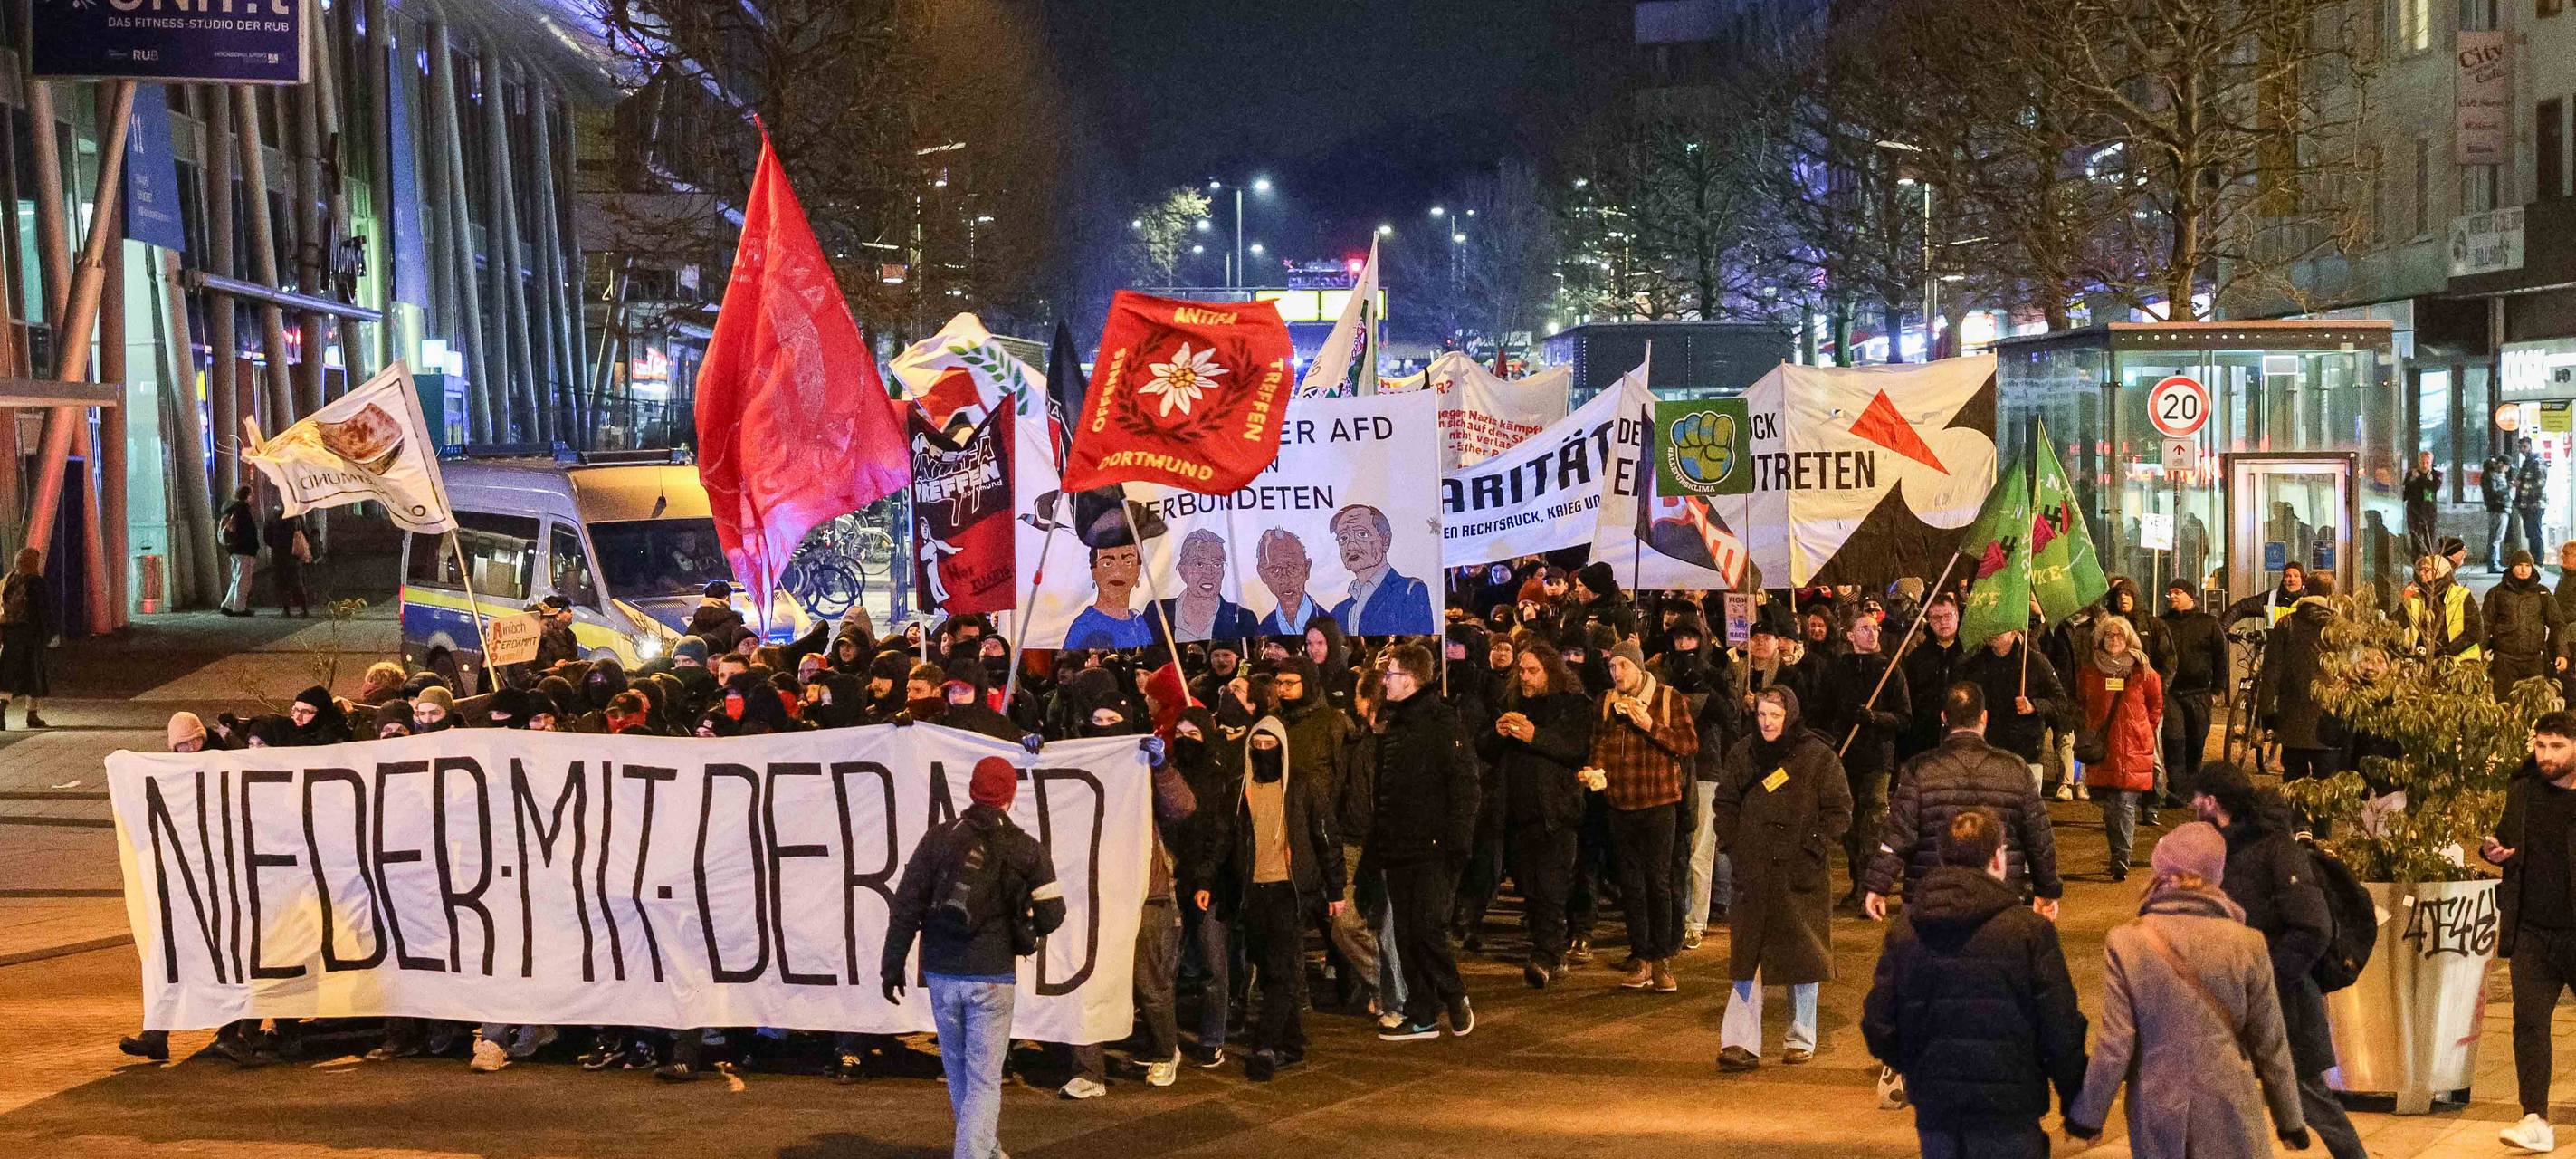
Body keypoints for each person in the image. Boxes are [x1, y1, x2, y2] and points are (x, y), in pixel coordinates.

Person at [2065, 821, 2310, 1157]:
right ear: (2216, 877)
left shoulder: (2127, 942)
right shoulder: (2247, 944)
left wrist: (2088, 1118)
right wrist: (2290, 1121)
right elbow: (2270, 1041)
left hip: (2158, 1108)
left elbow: (2115, 1043)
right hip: (2230, 1106)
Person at [1861, 808, 2088, 1159]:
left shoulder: (1907, 931)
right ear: (1998, 858)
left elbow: (1879, 1023)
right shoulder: (2027, 931)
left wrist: (1919, 1066)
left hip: (1938, 1109)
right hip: (2010, 1109)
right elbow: (2060, 1026)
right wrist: (2077, 1105)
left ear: (1942, 856)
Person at [881, 756, 1066, 1159]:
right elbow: (1054, 914)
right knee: (984, 1079)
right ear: (1011, 797)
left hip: (942, 972)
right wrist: (1026, 930)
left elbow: (906, 906)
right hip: (993, 974)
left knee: (960, 1072)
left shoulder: (939, 838)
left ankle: (986, 1148)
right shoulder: (1026, 849)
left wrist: (891, 965)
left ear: (971, 791)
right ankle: (975, 1153)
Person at [2192, 762, 2367, 1159]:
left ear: (2213, 801)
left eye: (2197, 797)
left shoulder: (2275, 849)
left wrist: (2267, 980)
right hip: (2227, 1000)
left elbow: (2314, 927)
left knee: (2310, 1100)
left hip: (2284, 1002)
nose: (2191, 804)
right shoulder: (2214, 848)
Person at [1713, 686, 1851, 1071]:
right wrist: (1734, 844)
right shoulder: (1744, 753)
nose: (1768, 722)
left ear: (1789, 714)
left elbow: (1840, 809)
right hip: (1753, 870)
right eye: (1761, 714)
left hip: (1798, 872)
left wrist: (1812, 846)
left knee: (1804, 955)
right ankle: (1740, 1041)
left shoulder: (1818, 756)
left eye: (1774, 715)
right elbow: (1725, 802)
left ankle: (1801, 1037)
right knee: (1747, 957)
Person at [1861, 681, 2062, 920]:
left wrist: (1878, 885)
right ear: (1984, 717)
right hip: (1999, 897)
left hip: (1931, 898)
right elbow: (2038, 837)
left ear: (1944, 717)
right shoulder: (2015, 769)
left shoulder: (1919, 769)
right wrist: (2047, 889)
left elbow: (1898, 834)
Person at [1223, 710, 1345, 1079]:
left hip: (1288, 891)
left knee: (1279, 970)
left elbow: (1326, 839)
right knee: (1271, 964)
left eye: (1269, 745)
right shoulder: (1239, 789)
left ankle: (1265, 1043)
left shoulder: (1302, 787)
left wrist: (1335, 888)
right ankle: (1291, 1042)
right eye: (1256, 745)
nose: (1263, 751)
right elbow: (1226, 839)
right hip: (1252, 891)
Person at [1367, 642, 1480, 1040]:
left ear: (1411, 679)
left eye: (1391, 675)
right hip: (1399, 845)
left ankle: (1454, 994)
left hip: (1435, 847)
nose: (1385, 682)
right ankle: (1422, 1012)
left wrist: (1457, 845)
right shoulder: (1396, 722)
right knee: (1405, 934)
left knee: (1427, 927)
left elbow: (1465, 786)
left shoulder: (1441, 722)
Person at [1578, 639, 1698, 991]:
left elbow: (1689, 744)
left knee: (1657, 881)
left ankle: (1662, 958)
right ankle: (1640, 956)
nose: (1617, 673)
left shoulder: (1667, 698)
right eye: (1612, 667)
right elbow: (1599, 743)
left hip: (1659, 802)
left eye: (1623, 667)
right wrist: (1594, 770)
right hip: (1620, 803)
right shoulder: (1605, 703)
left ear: (1639, 667)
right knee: (1631, 884)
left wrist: (1649, 725)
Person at [2485, 710, 2576, 1154]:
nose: (2546, 755)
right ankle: (2534, 1118)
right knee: (2530, 1025)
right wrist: (2495, 852)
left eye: (2557, 746)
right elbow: (2506, 842)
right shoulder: (2522, 791)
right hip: (2533, 930)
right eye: (2541, 745)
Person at [1479, 636, 1594, 988]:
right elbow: (1486, 750)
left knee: (1550, 886)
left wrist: (1534, 736)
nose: (1525, 677)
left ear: (1550, 672)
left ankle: (1544, 956)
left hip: (1555, 813)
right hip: (1516, 813)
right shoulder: (1511, 702)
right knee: (1529, 887)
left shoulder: (1572, 705)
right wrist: (1497, 734)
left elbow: (1575, 748)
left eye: (1533, 671)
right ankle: (1552, 949)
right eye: (1522, 670)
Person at [1813, 610, 1908, 905]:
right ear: (1850, 635)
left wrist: (1875, 718)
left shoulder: (1889, 669)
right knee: (1850, 823)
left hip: (1877, 758)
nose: (1872, 633)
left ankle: (1874, 884)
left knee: (1875, 821)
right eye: (1864, 628)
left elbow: (1904, 718)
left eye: (1875, 628)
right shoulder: (1838, 669)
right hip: (1845, 756)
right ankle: (1858, 881)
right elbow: (1821, 711)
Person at [2076, 615, 2163, 881]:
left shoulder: (2143, 672)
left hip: (2131, 745)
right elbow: (2082, 703)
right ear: (2101, 639)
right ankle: (2117, 851)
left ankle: (2121, 857)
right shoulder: (2090, 671)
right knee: (2110, 807)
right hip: (2103, 747)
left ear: (2129, 640)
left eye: (2119, 636)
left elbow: (2155, 706)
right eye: (2109, 635)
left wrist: (2142, 730)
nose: (2114, 640)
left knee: (2125, 803)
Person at [2260, 575, 2346, 803]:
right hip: (2331, 718)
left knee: (2294, 781)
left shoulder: (2287, 624)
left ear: (2306, 592)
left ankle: (2297, 828)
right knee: (2326, 786)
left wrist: (2267, 711)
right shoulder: (2342, 628)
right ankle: (2321, 831)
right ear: (2331, 595)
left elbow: (2271, 671)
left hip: (2292, 715)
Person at [1960, 627, 2067, 797]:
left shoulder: (2035, 662)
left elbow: (2060, 703)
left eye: (2001, 626)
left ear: (2014, 631)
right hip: (1988, 752)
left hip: (2026, 753)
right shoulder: (1975, 665)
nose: (1993, 630)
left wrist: (2034, 705)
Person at [2158, 578, 2228, 809]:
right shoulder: (2163, 623)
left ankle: (2191, 787)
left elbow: (2221, 657)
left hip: (2199, 693)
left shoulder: (2208, 624)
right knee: (2174, 739)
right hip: (2171, 693)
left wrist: (2216, 690)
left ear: (2190, 595)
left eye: (2178, 592)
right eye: (2170, 593)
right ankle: (2177, 790)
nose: (2173, 597)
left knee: (2196, 742)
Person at [1326, 504, 1432, 635]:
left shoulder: (1409, 591)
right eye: (1343, 538)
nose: (1351, 546)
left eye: (1362, 534)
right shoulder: (1339, 611)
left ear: (1385, 541)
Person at [1898, 596, 1970, 762]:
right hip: (1926, 738)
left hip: (1962, 735)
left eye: (1948, 615)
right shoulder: (1918, 657)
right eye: (1936, 617)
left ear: (1957, 615)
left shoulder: (1971, 653)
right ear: (1929, 620)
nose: (1943, 622)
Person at [2491, 549, 2566, 696]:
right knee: (2505, 702)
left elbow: (2557, 624)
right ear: (2512, 567)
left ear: (2532, 568)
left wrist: (2561, 652)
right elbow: (2485, 624)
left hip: (2534, 659)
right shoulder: (2497, 593)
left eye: (2527, 565)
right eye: (2519, 565)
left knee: (2534, 704)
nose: (2523, 570)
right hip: (2505, 659)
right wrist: (2479, 653)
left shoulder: (2541, 593)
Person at [2403, 553, 2482, 661]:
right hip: (2422, 658)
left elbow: (2475, 631)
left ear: (2441, 573)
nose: (2421, 573)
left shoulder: (2460, 595)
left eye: (2427, 570)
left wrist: (2447, 651)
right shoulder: (2415, 597)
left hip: (2457, 661)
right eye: (2420, 570)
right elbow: (2400, 621)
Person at [0, 546, 46, 729]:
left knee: (7, 676)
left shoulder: (8, 579)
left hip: (11, 635)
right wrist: (48, 633)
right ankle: (32, 715)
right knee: (34, 676)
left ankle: (1, 711)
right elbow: (43, 611)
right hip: (31, 636)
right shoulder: (36, 582)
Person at [219, 484, 261, 617]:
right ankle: (239, 608)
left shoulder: (232, 509)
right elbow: (247, 531)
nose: (252, 497)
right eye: (251, 494)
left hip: (234, 549)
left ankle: (228, 605)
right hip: (244, 549)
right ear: (247, 496)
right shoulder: (243, 510)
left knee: (236, 578)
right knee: (244, 579)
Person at [262, 508, 312, 617]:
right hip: (293, 553)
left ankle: (286, 609)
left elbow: (266, 537)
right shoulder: (296, 516)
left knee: (282, 582)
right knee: (297, 581)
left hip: (278, 553)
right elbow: (305, 534)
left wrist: (276, 545)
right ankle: (304, 609)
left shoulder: (272, 517)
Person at [2404, 450, 2443, 562]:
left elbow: (2434, 487)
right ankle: (2416, 567)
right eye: (2422, 462)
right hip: (2414, 513)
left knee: (2429, 543)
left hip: (2429, 514)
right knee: (2415, 542)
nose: (2424, 465)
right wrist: (2412, 480)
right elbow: (2405, 493)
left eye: (2427, 462)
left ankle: (2430, 566)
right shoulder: (2411, 475)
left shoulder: (2436, 475)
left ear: (2431, 462)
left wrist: (2420, 477)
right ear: (2418, 462)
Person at [2517, 436, 2551, 566]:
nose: (2522, 450)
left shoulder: (2537, 461)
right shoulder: (2528, 462)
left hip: (2535, 504)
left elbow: (2540, 482)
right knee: (2531, 533)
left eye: (2524, 447)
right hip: (2526, 504)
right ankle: (2534, 560)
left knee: (2535, 532)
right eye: (2520, 447)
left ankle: (2538, 561)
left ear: (2530, 446)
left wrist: (2521, 485)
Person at [2488, 445, 2520, 570]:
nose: (2507, 469)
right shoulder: (2494, 476)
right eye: (2506, 466)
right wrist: (2508, 487)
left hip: (2503, 508)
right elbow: (2494, 491)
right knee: (2496, 537)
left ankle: (2495, 563)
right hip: (2498, 509)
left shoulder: (2500, 475)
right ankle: (2493, 564)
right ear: (2501, 464)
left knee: (2497, 537)